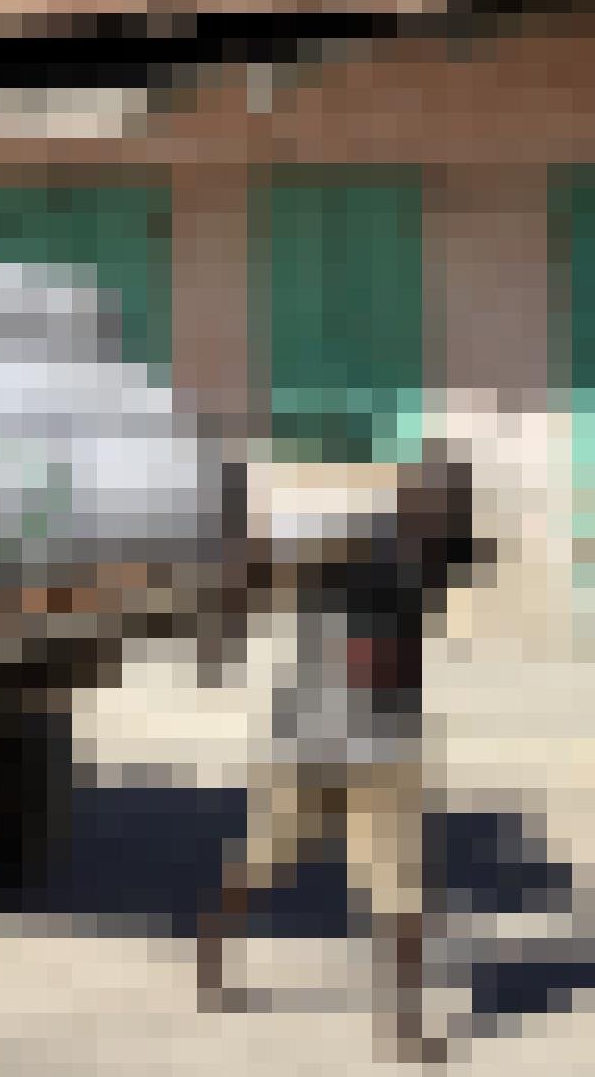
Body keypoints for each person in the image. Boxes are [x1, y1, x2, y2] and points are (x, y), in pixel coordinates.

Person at [196, 447, 481, 1065]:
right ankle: (213, 945)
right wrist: (242, 556)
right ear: (409, 502)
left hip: (388, 744)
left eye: (454, 503)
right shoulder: (355, 546)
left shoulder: (439, 557)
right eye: (440, 499)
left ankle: (407, 1025)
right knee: (265, 859)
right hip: (310, 743)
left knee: (403, 888)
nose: (448, 513)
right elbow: (273, 566)